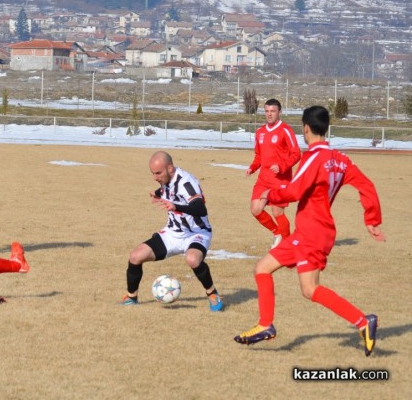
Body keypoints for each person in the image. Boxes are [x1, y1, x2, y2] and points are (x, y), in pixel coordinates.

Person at [234, 106, 386, 356]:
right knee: (269, 271)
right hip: (314, 232)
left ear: (305, 128)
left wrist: (268, 195)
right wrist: (372, 218)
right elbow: (366, 185)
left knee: (307, 287)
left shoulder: (315, 157)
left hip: (311, 233)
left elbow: (294, 190)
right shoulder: (340, 159)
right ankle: (267, 325)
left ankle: (361, 321)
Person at [121, 151, 223, 311]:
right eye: (153, 173)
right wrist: (156, 194)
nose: (155, 177)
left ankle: (212, 294)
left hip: (196, 233)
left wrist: (176, 206)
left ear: (170, 168)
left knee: (192, 259)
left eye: (158, 173)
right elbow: (166, 190)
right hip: (172, 233)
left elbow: (200, 208)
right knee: (135, 257)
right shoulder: (166, 179)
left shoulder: (186, 182)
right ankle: (131, 297)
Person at [246, 98, 301, 248]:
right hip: (264, 179)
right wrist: (252, 167)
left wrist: (282, 166)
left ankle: (288, 246)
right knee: (255, 209)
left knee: (277, 211)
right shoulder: (260, 132)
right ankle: (277, 233)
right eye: (267, 111)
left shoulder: (285, 130)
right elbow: (259, 156)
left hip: (280, 179)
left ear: (279, 112)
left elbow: (296, 154)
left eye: (273, 111)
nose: (269, 114)